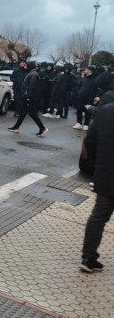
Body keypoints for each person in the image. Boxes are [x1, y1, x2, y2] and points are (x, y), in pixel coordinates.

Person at [80, 93, 114, 273]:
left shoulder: (105, 111)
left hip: (106, 173)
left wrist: (95, 166)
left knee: (99, 216)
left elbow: (89, 142)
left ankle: (88, 257)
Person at [8, 61, 47, 137]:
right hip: (28, 97)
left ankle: (42, 128)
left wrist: (28, 97)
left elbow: (31, 87)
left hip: (30, 97)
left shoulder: (33, 74)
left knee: (32, 113)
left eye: (26, 65)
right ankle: (16, 127)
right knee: (22, 112)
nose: (25, 67)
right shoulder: (32, 73)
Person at [74, 66, 97, 130]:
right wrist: (78, 92)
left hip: (90, 96)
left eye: (86, 69)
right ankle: (79, 122)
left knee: (88, 110)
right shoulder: (83, 78)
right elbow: (79, 85)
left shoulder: (95, 78)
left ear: (90, 70)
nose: (84, 70)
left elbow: (96, 88)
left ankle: (86, 124)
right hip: (81, 96)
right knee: (79, 109)